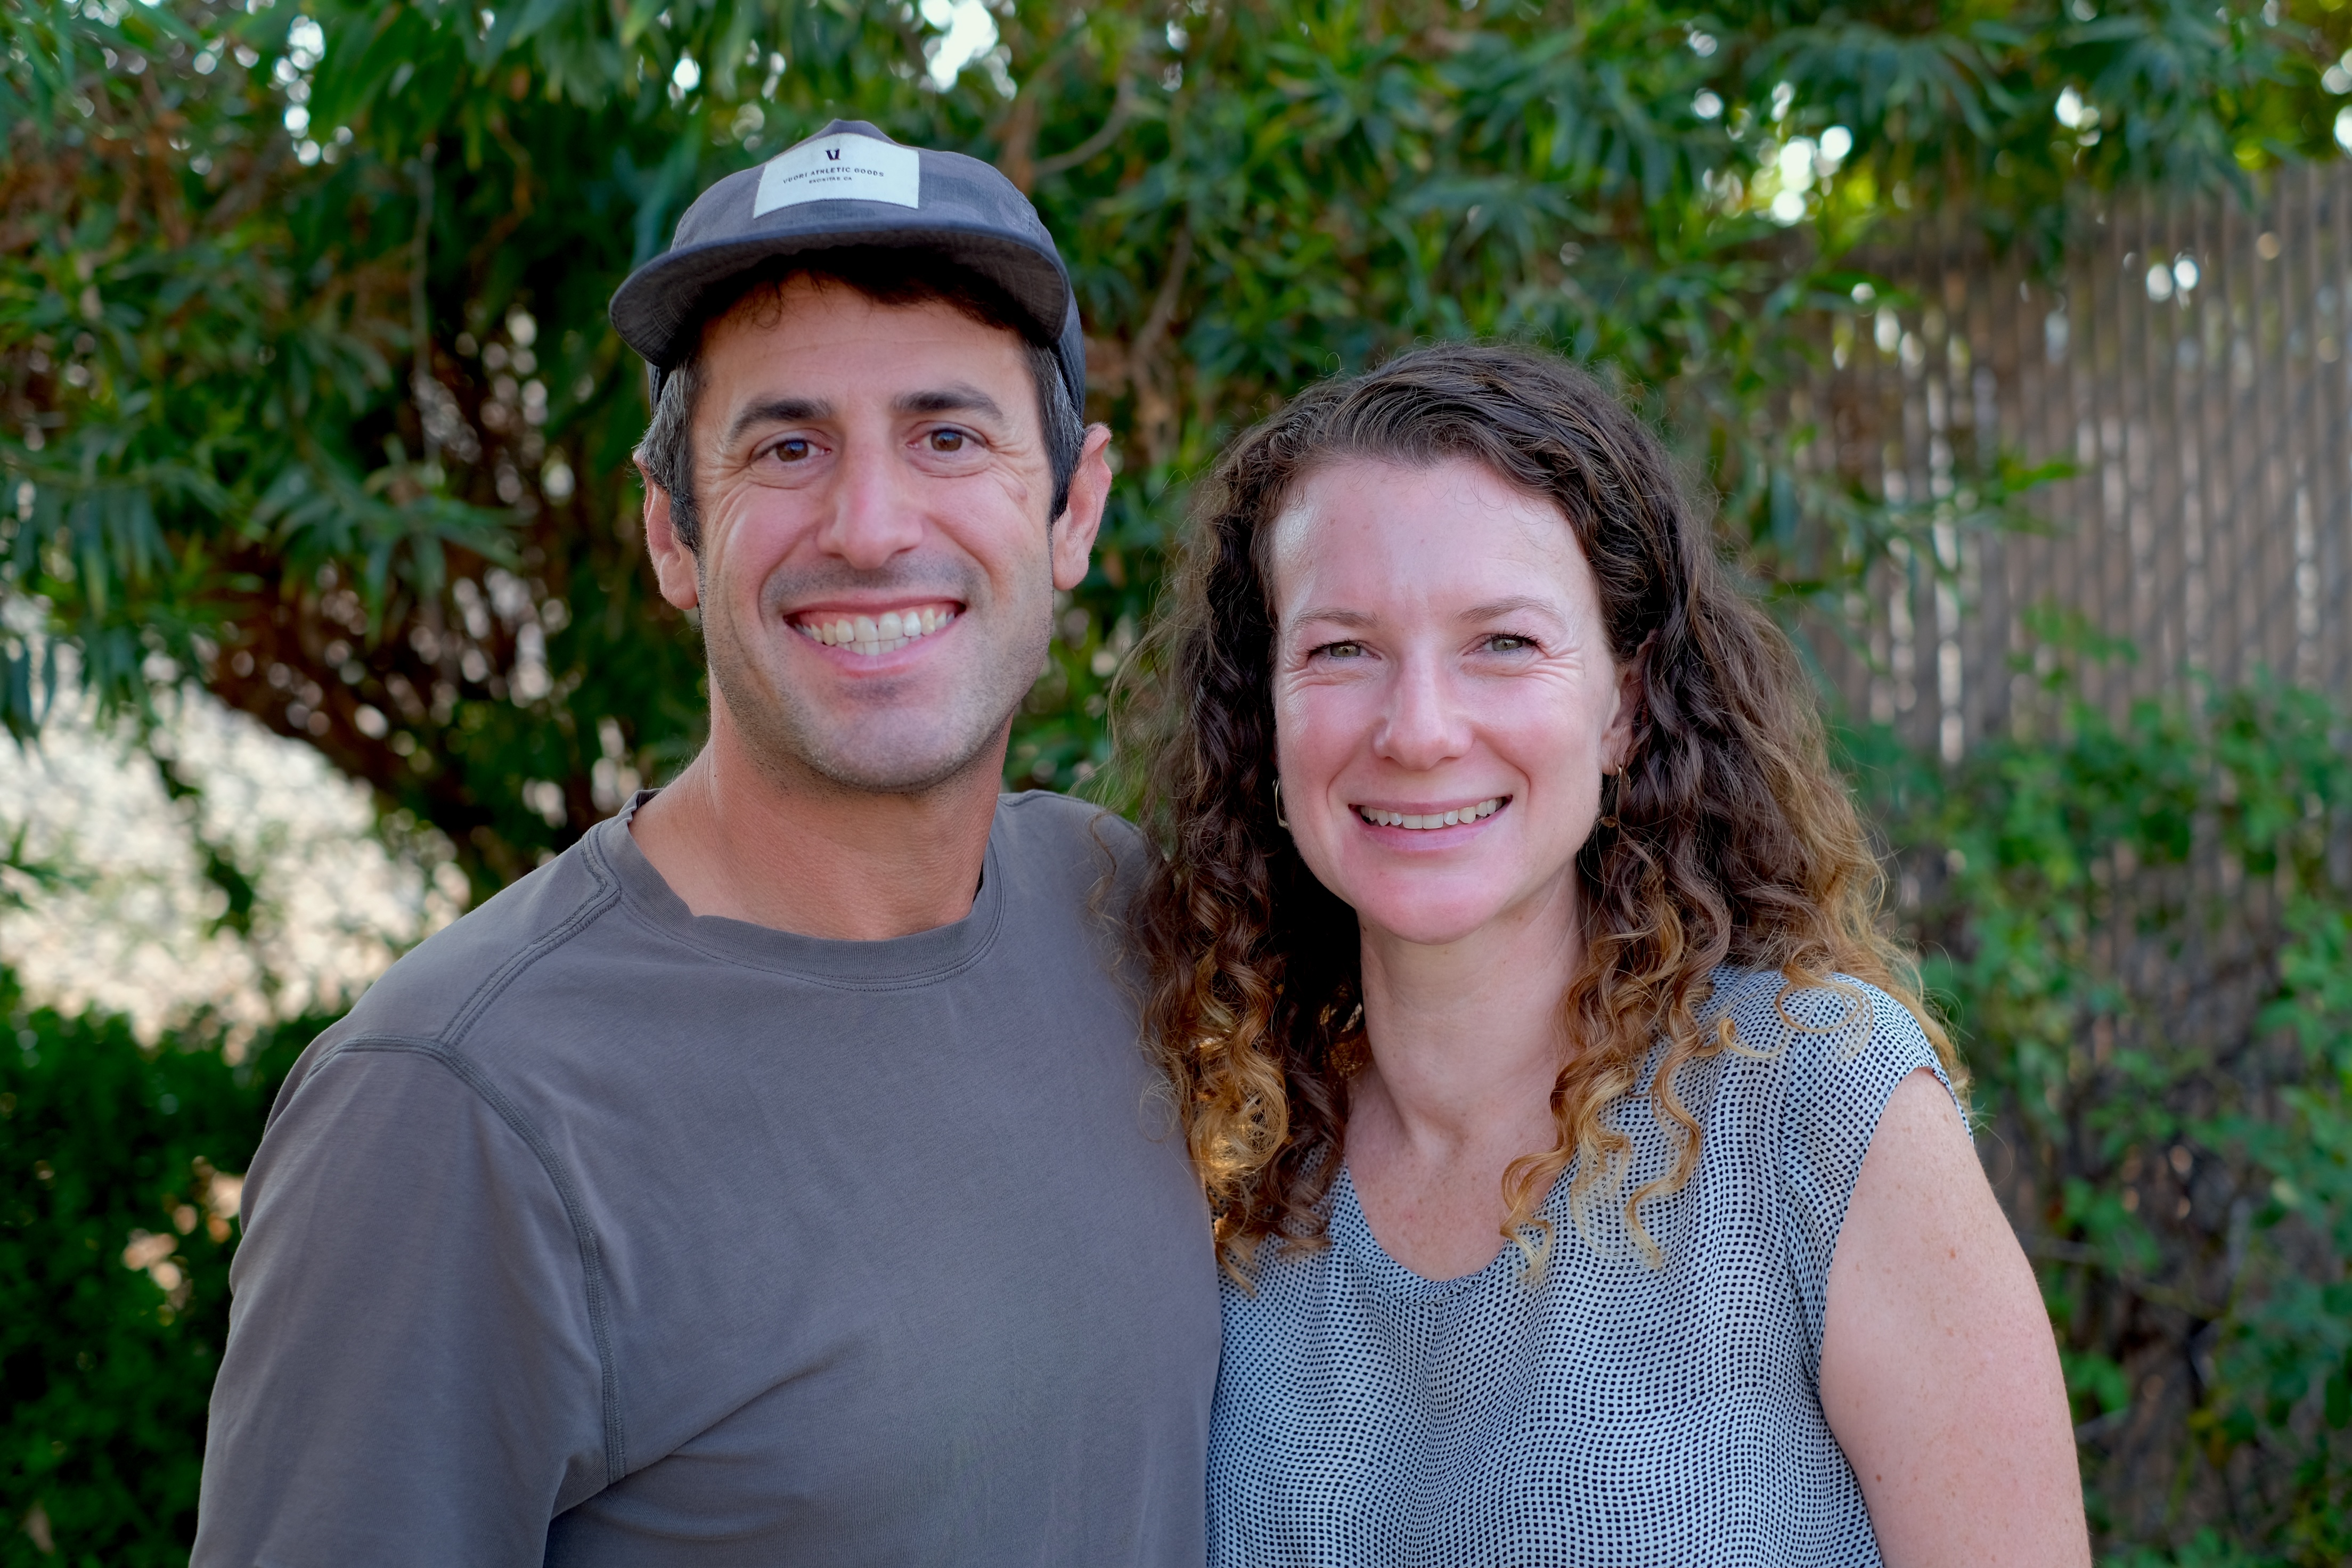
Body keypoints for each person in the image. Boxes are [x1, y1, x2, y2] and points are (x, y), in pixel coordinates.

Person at [194, 120, 1219, 1566]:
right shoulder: (454, 1109)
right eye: (788, 446)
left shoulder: (1120, 914)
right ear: (673, 533)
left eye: (948, 435)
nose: (871, 526)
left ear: (1075, 508)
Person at [1129, 341, 2088, 1567]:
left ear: (1625, 707)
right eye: (1341, 649)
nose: (1419, 728)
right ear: (1262, 716)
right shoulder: (1236, 1162)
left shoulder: (1816, 1106)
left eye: (1503, 642)